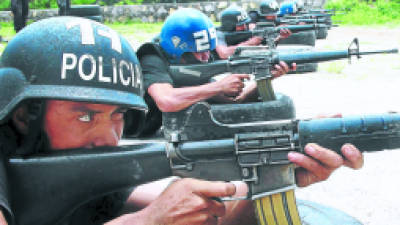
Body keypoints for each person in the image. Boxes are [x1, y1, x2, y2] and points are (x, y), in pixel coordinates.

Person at [0, 15, 364, 225]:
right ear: (23, 114)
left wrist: (277, 172)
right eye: (84, 115)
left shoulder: (87, 171)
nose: (107, 136)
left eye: (118, 115)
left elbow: (208, 207)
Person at [137, 8, 293, 136]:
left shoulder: (193, 68)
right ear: (178, 50)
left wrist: (267, 77)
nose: (207, 57)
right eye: (200, 52)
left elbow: (236, 101)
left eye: (208, 50)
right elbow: (167, 100)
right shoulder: (151, 57)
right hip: (133, 135)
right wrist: (218, 86)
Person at [215, 4, 291, 60]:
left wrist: (279, 37)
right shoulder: (218, 34)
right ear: (229, 26)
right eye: (240, 25)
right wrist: (250, 43)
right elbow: (224, 53)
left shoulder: (247, 31)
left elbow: (264, 50)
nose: (245, 27)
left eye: (245, 23)